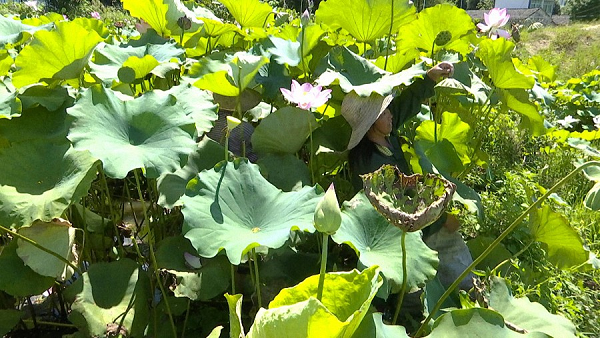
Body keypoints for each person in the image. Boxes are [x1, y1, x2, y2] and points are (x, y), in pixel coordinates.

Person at [342, 61, 475, 291]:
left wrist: (430, 78)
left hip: (415, 219)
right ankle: (468, 292)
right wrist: (442, 220)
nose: (391, 115)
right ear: (372, 123)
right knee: (449, 254)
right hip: (399, 232)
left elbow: (403, 105)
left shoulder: (385, 136)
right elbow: (402, 205)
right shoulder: (373, 165)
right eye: (385, 113)